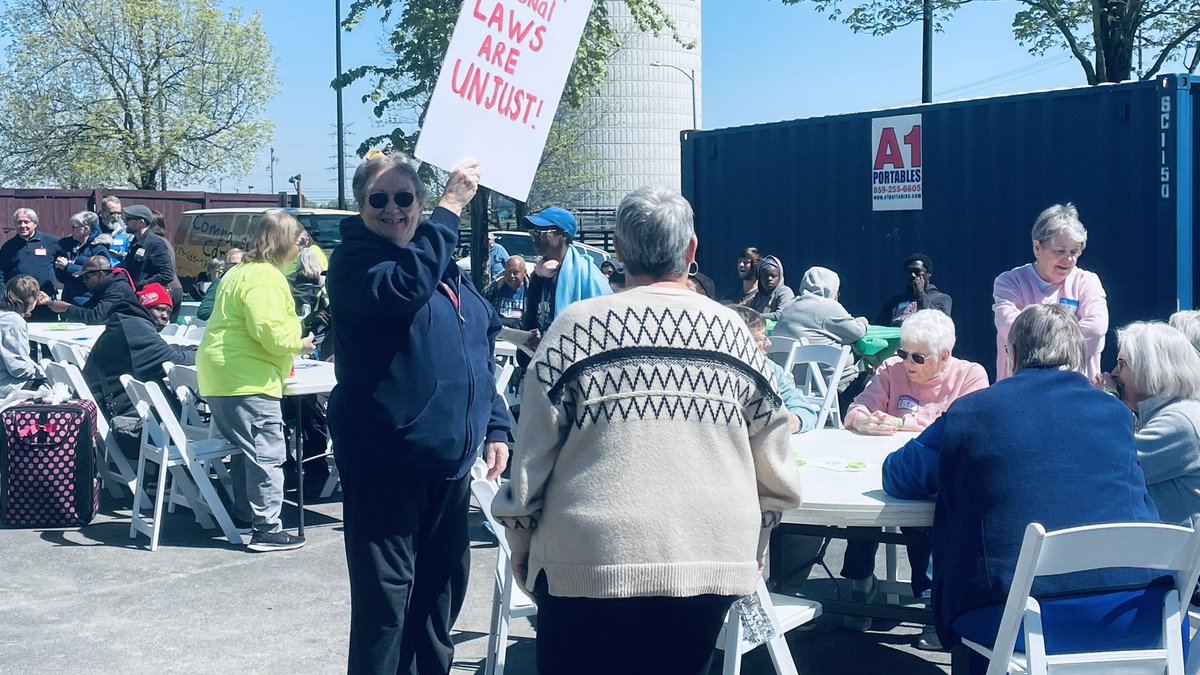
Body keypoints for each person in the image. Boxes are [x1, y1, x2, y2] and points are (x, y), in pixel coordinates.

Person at [492, 186, 802, 675]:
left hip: (587, 562)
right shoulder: (733, 333)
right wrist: (757, 540)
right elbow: (775, 452)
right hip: (708, 560)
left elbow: (531, 456)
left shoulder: (575, 329)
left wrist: (521, 539)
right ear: (692, 250)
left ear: (617, 249)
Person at [882, 304, 1162, 667]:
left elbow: (899, 475)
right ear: (1078, 356)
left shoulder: (973, 413)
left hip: (1017, 617)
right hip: (1136, 611)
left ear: (1011, 354)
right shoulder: (1117, 416)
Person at [326, 154, 511, 674]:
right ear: (360, 207)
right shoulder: (356, 263)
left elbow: (477, 349)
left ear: (418, 204)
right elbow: (402, 289)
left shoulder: (444, 265)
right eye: (378, 199)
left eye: (404, 198)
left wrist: (496, 423)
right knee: (386, 607)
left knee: (438, 599)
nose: (392, 210)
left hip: (449, 465)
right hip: (387, 461)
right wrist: (451, 209)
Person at [840, 309, 989, 640]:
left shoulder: (971, 376)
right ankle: (860, 581)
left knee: (934, 515)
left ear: (944, 355)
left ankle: (932, 600)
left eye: (918, 357)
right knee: (862, 502)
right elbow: (856, 408)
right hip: (890, 470)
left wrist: (898, 423)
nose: (908, 362)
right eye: (902, 352)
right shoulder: (891, 370)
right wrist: (864, 420)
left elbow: (961, 427)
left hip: (938, 479)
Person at [197, 210, 316, 553]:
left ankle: (244, 514)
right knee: (267, 453)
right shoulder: (266, 277)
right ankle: (267, 529)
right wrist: (301, 343)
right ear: (283, 243)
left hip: (223, 375)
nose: (301, 249)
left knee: (246, 450)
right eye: (299, 241)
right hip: (247, 376)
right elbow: (270, 334)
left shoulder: (239, 271)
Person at [1096, 322, 1200, 529]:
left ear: (1151, 367)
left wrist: (1107, 400)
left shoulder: (1180, 422)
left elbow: (1109, 464)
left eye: (1122, 363)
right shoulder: (1179, 411)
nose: (1114, 372)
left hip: (1182, 557)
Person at [83, 283, 197, 461]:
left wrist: (191, 348)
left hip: (100, 408)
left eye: (168, 311)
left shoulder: (128, 321)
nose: (165, 316)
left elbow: (161, 350)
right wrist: (205, 354)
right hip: (120, 419)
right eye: (159, 309)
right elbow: (175, 360)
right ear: (145, 305)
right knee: (186, 412)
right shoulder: (136, 329)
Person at [993, 203, 1107, 380]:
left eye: (1074, 252)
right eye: (1060, 251)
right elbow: (1009, 326)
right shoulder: (1010, 282)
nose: (1068, 259)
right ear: (1037, 248)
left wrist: (1036, 334)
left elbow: (1096, 328)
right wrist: (1069, 333)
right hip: (1019, 393)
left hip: (1078, 395)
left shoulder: (1087, 282)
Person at [521, 206, 611, 350]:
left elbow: (604, 323)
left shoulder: (586, 274)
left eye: (542, 233)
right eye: (533, 232)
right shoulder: (539, 275)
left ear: (563, 236)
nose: (535, 238)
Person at [772, 265, 869, 390]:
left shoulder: (789, 307)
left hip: (792, 385)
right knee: (871, 380)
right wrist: (863, 320)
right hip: (827, 387)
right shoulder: (830, 307)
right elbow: (857, 332)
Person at [732, 304, 817, 433]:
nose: (768, 343)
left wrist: (791, 421)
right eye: (761, 338)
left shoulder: (770, 368)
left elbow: (805, 411)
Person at [40, 256, 141, 324]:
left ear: (101, 275)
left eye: (86, 277)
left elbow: (95, 317)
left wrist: (67, 308)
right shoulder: (104, 286)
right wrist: (50, 302)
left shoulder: (117, 288)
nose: (84, 281)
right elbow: (87, 309)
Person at [0, 208, 59, 321]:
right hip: (18, 303)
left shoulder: (51, 242)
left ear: (35, 223)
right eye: (19, 222)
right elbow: (1, 274)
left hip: (44, 300)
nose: (22, 225)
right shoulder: (8, 247)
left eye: (26, 222)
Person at [122, 205, 182, 305]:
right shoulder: (135, 243)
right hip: (141, 296)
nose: (125, 222)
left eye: (128, 219)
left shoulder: (155, 243)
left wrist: (142, 285)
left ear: (141, 222)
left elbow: (167, 274)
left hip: (156, 298)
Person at [0, 275, 47, 399]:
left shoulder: (4, 317)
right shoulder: (14, 322)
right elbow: (18, 368)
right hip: (6, 384)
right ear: (32, 300)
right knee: (51, 388)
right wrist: (45, 371)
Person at [876, 253, 952, 327]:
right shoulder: (895, 302)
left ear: (929, 273)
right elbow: (880, 328)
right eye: (909, 271)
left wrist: (920, 294)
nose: (912, 275)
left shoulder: (942, 299)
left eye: (917, 271)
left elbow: (939, 324)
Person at [55, 211, 108, 306]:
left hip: (87, 300)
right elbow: (63, 278)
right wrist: (60, 268)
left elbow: (99, 273)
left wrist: (68, 267)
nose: (71, 231)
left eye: (74, 227)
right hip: (69, 299)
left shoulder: (97, 248)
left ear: (86, 230)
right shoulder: (72, 247)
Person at [480, 255, 527, 328]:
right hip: (498, 335)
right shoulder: (492, 290)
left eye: (515, 273)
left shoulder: (532, 293)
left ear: (524, 273)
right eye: (508, 272)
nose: (511, 276)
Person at [197, 248, 243, 321]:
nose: (237, 268)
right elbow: (204, 312)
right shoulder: (219, 283)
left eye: (241, 265)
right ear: (226, 267)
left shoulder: (249, 284)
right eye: (232, 265)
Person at [746, 255, 794, 321]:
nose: (769, 279)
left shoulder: (785, 292)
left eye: (773, 276)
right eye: (765, 276)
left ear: (779, 276)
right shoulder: (758, 296)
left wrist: (756, 316)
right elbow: (746, 312)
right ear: (760, 278)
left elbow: (781, 315)